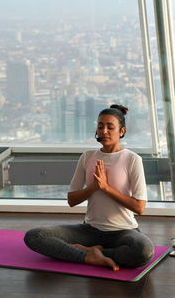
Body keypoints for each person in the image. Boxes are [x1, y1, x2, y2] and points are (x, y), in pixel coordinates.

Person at [24, 104, 154, 271]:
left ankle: (93, 253)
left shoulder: (132, 159)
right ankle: (89, 256)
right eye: (100, 126)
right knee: (34, 236)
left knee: (144, 251)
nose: (104, 131)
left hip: (123, 231)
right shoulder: (87, 157)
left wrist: (106, 187)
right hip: (90, 230)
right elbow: (71, 200)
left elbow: (139, 207)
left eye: (110, 127)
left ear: (122, 131)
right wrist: (94, 187)